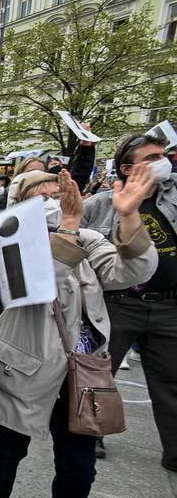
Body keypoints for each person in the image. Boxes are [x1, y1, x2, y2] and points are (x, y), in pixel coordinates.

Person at [0, 168, 157, 498]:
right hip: (26, 364)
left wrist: (129, 217)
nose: (54, 198)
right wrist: (69, 227)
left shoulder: (90, 238)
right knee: (9, 451)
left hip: (83, 369)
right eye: (41, 192)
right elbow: (36, 287)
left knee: (79, 465)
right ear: (22, 200)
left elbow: (132, 273)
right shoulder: (10, 234)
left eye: (59, 191)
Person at [82, 133, 177, 471]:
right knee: (97, 371)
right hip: (118, 303)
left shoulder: (173, 197)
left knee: (171, 379)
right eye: (151, 158)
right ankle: (90, 433)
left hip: (168, 305)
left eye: (164, 156)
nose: (162, 162)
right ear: (126, 168)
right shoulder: (101, 204)